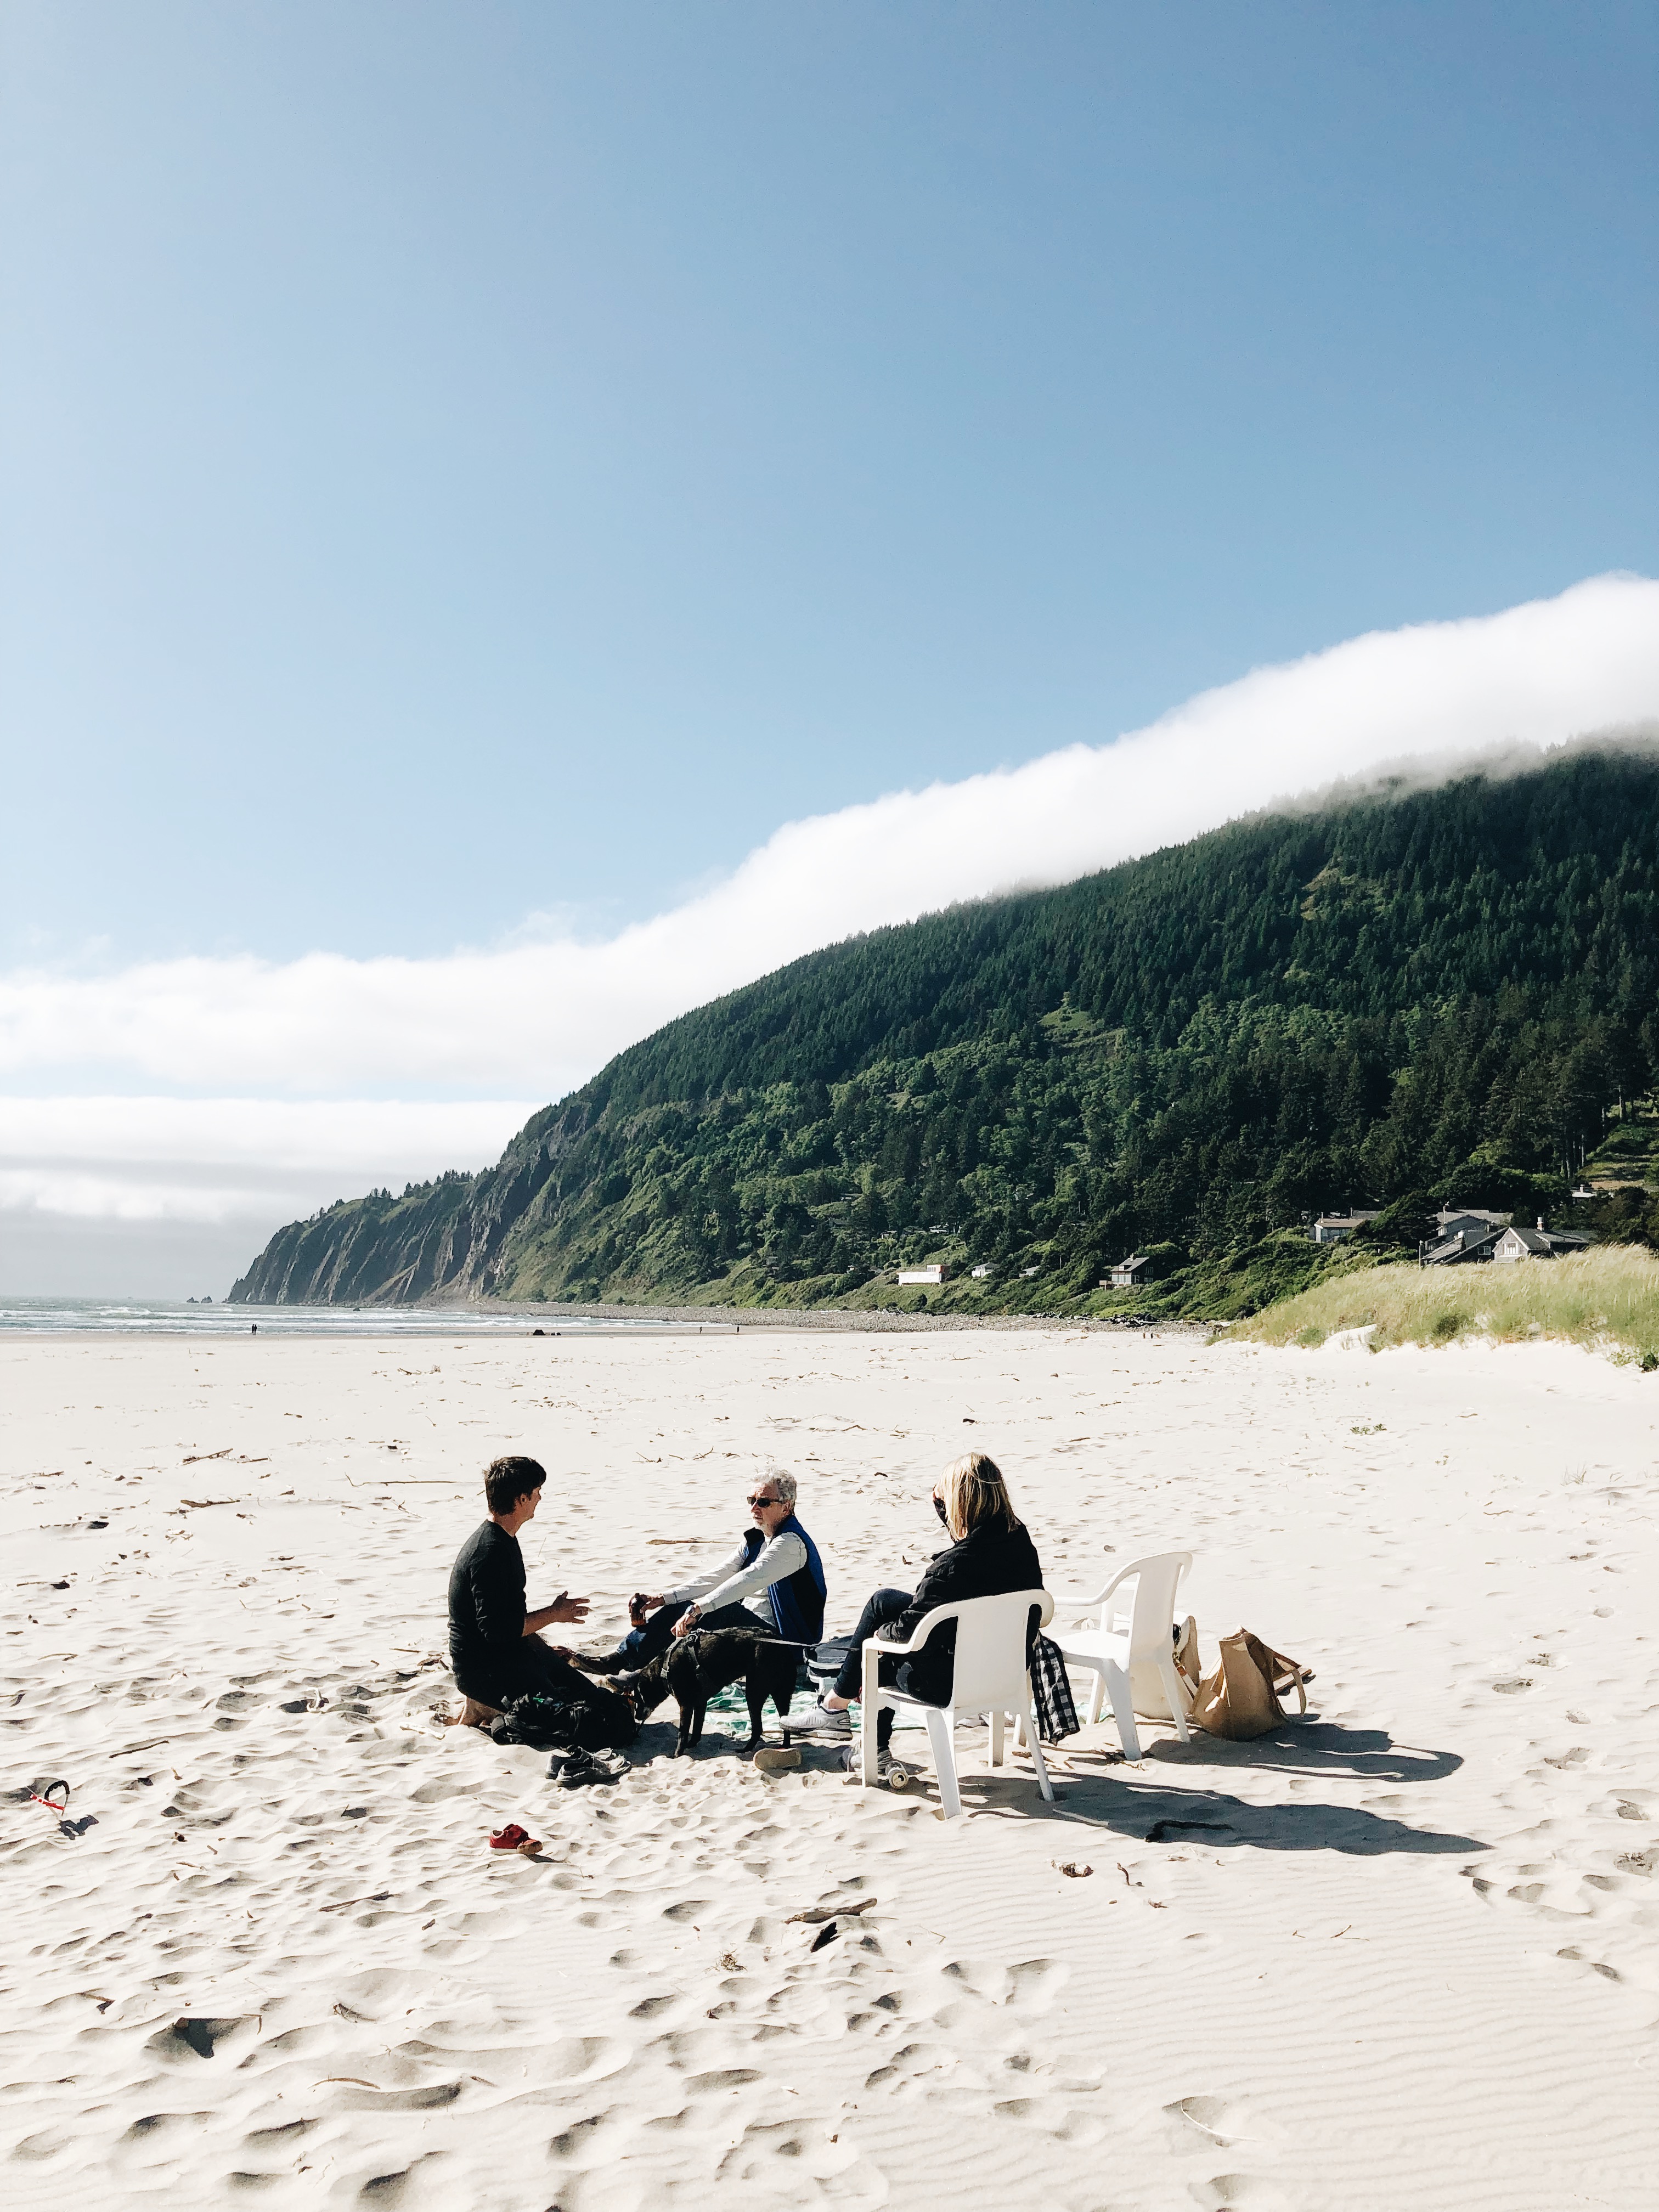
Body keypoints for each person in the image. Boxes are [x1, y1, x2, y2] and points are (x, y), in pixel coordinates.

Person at [788, 1451, 1042, 1770]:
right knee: (884, 1602)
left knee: (879, 1657)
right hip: (1007, 1671)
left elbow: (910, 1633)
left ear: (957, 1504)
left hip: (952, 1683)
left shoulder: (951, 1569)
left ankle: (866, 1744)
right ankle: (834, 1705)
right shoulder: (1020, 1542)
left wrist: (878, 1637)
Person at [602, 1468, 825, 1671]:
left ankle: (638, 1673)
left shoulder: (791, 1544)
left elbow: (750, 1578)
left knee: (715, 1611)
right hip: (751, 1631)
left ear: (786, 1507)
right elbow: (719, 1576)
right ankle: (620, 1661)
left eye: (764, 1502)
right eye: (751, 1500)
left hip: (786, 1644)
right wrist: (664, 1599)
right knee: (683, 1608)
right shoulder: (756, 1540)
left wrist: (699, 1609)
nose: (754, 1508)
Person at [447, 1455, 593, 1721]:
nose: (540, 1498)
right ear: (521, 1499)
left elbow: (508, 1621)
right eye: (536, 1492)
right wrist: (553, 1614)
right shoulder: (489, 1552)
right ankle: (483, 1705)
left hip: (504, 1654)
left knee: (595, 1699)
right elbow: (497, 1631)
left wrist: (543, 1652)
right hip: (484, 1670)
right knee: (588, 1720)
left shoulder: (503, 1539)